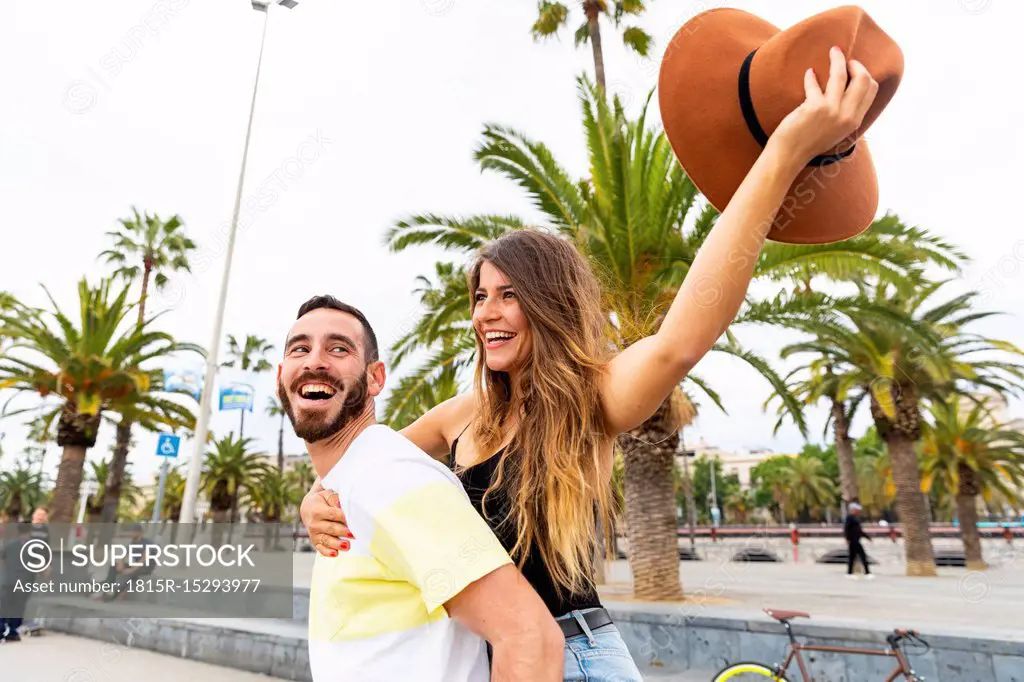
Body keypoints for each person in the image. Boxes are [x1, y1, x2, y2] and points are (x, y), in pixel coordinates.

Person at [302, 46, 880, 681]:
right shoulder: (461, 416)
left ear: (550, 304)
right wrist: (314, 501)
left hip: (574, 656)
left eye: (510, 295)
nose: (485, 315)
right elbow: (364, 471)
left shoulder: (591, 396)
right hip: (493, 658)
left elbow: (679, 340)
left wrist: (785, 151)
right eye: (479, 297)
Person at [279, 296, 563, 682]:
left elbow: (531, 639)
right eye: (300, 348)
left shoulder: (390, 476)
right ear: (281, 374)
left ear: (376, 377)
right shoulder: (355, 482)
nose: (314, 360)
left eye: (338, 348)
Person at [1, 523, 35, 642]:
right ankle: (12, 632)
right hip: (23, 582)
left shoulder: (10, 545)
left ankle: (1, 632)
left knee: (4, 607)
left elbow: (3, 558)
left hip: (8, 581)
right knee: (17, 608)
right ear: (30, 531)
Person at [844, 503, 874, 580]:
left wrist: (867, 537)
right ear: (853, 510)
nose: (858, 511)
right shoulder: (850, 518)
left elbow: (860, 531)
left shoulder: (855, 518)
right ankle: (867, 573)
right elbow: (846, 529)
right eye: (857, 510)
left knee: (852, 557)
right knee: (862, 556)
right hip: (853, 541)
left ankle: (849, 573)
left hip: (856, 540)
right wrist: (847, 539)